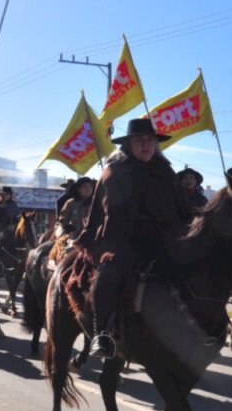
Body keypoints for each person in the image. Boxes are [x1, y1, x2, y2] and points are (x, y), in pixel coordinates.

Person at [75, 118, 192, 359]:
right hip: (122, 242)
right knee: (109, 275)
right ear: (129, 144)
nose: (147, 145)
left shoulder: (166, 171)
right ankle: (101, 334)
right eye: (140, 141)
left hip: (162, 242)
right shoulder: (115, 171)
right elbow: (104, 210)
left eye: (150, 140)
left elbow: (183, 208)